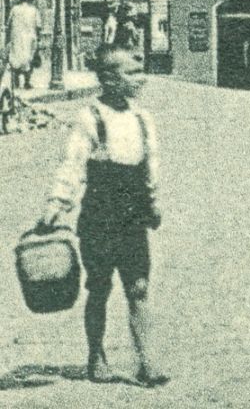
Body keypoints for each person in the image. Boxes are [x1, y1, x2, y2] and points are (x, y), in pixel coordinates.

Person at [38, 46, 168, 386]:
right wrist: (57, 204)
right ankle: (96, 354)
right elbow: (73, 165)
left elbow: (150, 166)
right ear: (109, 79)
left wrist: (153, 203)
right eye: (131, 73)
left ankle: (146, 361)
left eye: (140, 72)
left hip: (133, 215)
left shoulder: (143, 119)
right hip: (101, 214)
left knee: (139, 287)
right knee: (99, 288)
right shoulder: (91, 118)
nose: (140, 79)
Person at [6, 0, 41, 91]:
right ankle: (26, 82)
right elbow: (38, 26)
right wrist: (39, 39)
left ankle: (16, 82)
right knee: (29, 59)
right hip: (29, 38)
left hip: (16, 37)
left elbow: (8, 23)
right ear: (30, 1)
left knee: (15, 58)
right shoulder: (34, 10)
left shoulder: (14, 9)